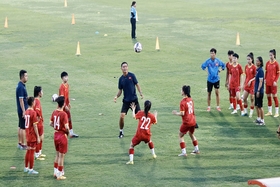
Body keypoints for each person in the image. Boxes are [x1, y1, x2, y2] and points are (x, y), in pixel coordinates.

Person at [114, 62, 143, 138]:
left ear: (128, 67)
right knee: (122, 116)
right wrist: (116, 96)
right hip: (126, 101)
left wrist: (140, 93)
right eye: (123, 67)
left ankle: (142, 131)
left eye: (126, 66)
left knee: (140, 116)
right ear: (121, 68)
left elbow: (137, 84)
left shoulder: (132, 76)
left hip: (134, 100)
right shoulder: (121, 79)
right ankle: (121, 132)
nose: (125, 68)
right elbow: (120, 90)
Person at [126, 100, 157, 165]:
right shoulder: (151, 116)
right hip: (147, 135)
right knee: (150, 141)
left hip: (139, 135)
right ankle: (154, 154)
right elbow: (155, 122)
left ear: (144, 106)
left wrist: (134, 109)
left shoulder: (140, 113)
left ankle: (131, 161)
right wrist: (155, 116)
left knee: (131, 146)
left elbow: (134, 117)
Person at [172, 85, 199, 157]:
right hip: (193, 120)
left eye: (181, 90)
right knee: (191, 134)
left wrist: (175, 113)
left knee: (180, 135)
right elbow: (193, 111)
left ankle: (184, 152)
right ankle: (196, 149)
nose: (180, 91)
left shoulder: (182, 102)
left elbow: (182, 113)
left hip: (187, 122)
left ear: (184, 92)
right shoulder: (191, 99)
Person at [50, 96, 69, 180]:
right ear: (63, 104)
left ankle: (55, 172)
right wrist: (67, 132)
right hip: (62, 135)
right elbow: (66, 127)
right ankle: (60, 174)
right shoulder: (64, 114)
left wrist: (56, 126)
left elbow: (50, 123)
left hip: (56, 135)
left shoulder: (54, 112)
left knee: (57, 154)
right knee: (62, 156)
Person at [59, 71, 78, 138]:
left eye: (67, 77)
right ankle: (62, 133)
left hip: (66, 105)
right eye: (65, 77)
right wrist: (65, 105)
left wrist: (69, 102)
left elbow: (67, 96)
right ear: (62, 78)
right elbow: (62, 97)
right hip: (62, 106)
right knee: (63, 120)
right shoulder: (62, 87)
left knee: (69, 118)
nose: (66, 78)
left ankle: (71, 133)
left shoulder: (67, 85)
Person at [24, 97, 40, 174]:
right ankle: (31, 169)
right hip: (32, 135)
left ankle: (26, 167)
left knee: (28, 151)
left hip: (27, 134)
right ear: (32, 103)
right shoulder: (33, 113)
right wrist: (38, 136)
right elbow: (35, 126)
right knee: (32, 151)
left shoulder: (26, 111)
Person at [264, 49, 279, 117]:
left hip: (273, 83)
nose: (270, 56)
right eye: (269, 55)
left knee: (274, 97)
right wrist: (264, 79)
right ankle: (270, 111)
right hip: (268, 83)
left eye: (271, 55)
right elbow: (266, 72)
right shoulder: (267, 63)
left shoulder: (276, 64)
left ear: (274, 55)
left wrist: (275, 81)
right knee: (268, 97)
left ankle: (276, 112)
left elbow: (278, 74)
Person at [16, 70, 28, 150]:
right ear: (22, 77)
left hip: (20, 110)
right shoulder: (20, 87)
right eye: (26, 76)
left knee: (20, 126)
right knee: (23, 127)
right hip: (22, 110)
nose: (27, 77)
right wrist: (24, 111)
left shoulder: (21, 85)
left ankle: (20, 143)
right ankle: (23, 144)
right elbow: (21, 100)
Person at [242, 53, 256, 117]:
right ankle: (245, 111)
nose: (248, 61)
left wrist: (251, 80)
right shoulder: (246, 66)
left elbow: (256, 76)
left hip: (252, 85)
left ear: (252, 59)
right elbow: (246, 75)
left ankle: (251, 112)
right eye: (247, 59)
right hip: (247, 85)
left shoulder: (254, 67)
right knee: (244, 98)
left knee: (252, 99)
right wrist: (243, 84)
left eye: (249, 59)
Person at [33, 86, 46, 160]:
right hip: (38, 123)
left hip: (38, 122)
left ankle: (39, 153)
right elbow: (37, 111)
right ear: (39, 93)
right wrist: (39, 118)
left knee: (41, 138)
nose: (42, 93)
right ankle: (37, 154)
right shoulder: (37, 101)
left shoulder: (34, 100)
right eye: (42, 91)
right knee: (39, 138)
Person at [254, 56, 265, 125]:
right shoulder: (257, 70)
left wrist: (258, 91)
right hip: (256, 90)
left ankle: (262, 120)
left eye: (257, 61)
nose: (256, 62)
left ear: (260, 62)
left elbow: (261, 82)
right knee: (256, 105)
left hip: (259, 91)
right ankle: (258, 118)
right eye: (256, 61)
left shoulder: (260, 71)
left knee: (260, 106)